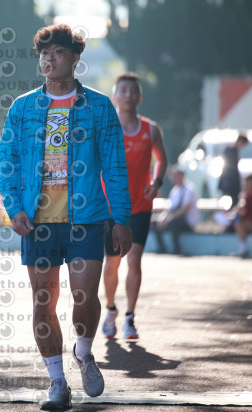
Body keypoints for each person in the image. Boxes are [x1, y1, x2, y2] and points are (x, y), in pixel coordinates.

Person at [0, 24, 132, 410]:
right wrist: (14, 208)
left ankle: (84, 353)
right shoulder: (23, 107)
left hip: (85, 219)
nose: (49, 59)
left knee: (84, 296)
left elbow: (114, 166)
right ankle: (57, 382)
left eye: (57, 52)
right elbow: (8, 161)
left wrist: (121, 218)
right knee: (43, 304)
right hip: (37, 222)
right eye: (44, 53)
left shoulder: (99, 107)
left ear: (74, 58)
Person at [102, 73, 168, 341]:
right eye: (123, 90)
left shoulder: (151, 129)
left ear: (139, 97)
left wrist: (157, 181)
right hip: (110, 207)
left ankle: (130, 317)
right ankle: (110, 310)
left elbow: (161, 159)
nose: (128, 95)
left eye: (133, 91)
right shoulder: (106, 128)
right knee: (112, 263)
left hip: (140, 205)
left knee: (134, 259)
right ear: (115, 96)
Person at [153, 166, 199, 254]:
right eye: (172, 176)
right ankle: (162, 248)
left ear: (182, 176)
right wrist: (163, 219)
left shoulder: (190, 189)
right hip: (175, 219)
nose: (173, 178)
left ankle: (177, 249)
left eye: (175, 176)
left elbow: (185, 209)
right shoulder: (174, 191)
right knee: (156, 223)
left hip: (188, 222)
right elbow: (170, 209)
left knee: (174, 223)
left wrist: (170, 218)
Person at [218, 133, 248, 209]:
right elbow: (229, 169)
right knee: (228, 205)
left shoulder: (234, 151)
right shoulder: (230, 151)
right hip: (230, 182)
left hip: (231, 182)